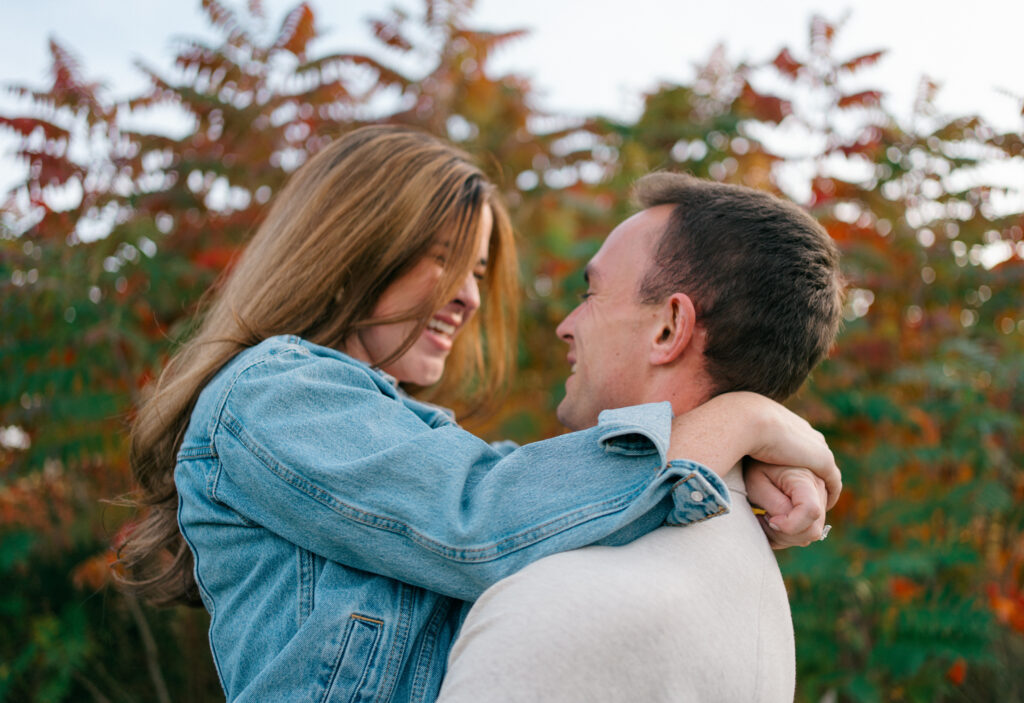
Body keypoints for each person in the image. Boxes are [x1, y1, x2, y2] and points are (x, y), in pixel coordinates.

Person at [115, 126, 839, 702]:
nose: (467, 296)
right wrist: (743, 420)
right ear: (353, 246)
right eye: (442, 257)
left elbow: (526, 502)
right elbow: (484, 517)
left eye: (479, 272)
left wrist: (738, 460)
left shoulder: (402, 427)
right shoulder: (272, 393)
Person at [438, 173, 844, 702]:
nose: (566, 325)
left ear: (668, 329)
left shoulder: (561, 605)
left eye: (591, 294)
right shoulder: (756, 589)